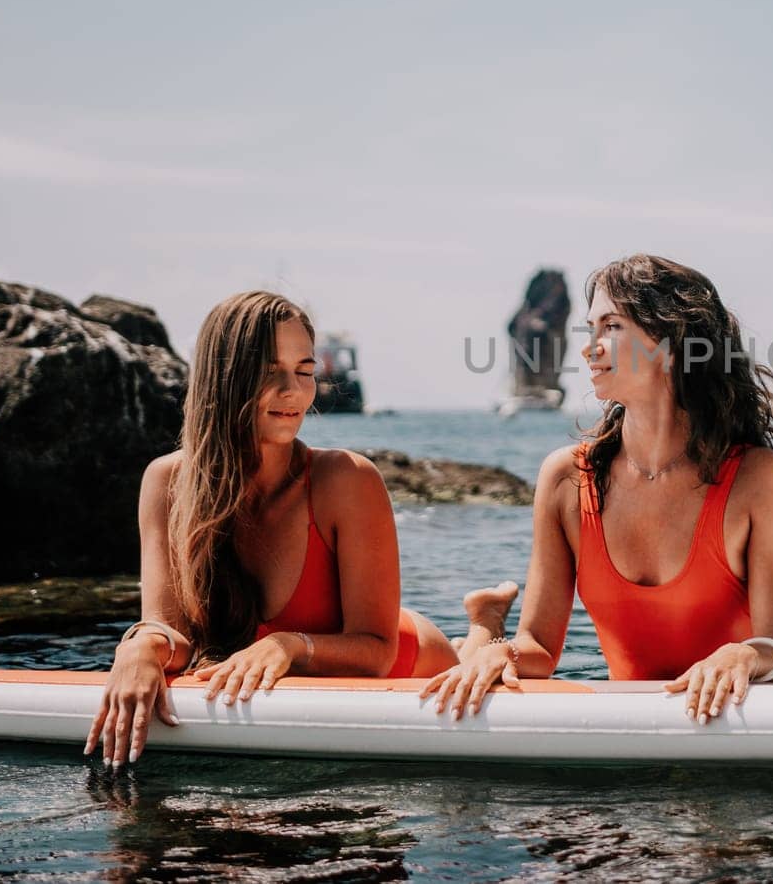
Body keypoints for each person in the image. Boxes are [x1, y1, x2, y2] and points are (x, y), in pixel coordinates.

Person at [85, 290, 516, 769]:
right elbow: (173, 631)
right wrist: (142, 645)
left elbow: (376, 652)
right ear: (222, 379)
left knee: (472, 663)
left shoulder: (345, 479)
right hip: (319, 657)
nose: (294, 391)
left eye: (306, 371)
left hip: (404, 655)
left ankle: (485, 625)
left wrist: (288, 644)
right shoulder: (167, 481)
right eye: (271, 373)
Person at [426, 254, 773, 724]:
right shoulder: (566, 479)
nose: (588, 349)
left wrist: (744, 654)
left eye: (611, 326)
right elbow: (539, 647)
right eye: (589, 329)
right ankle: (486, 628)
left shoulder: (756, 477)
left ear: (670, 342)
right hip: (657, 713)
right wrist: (508, 655)